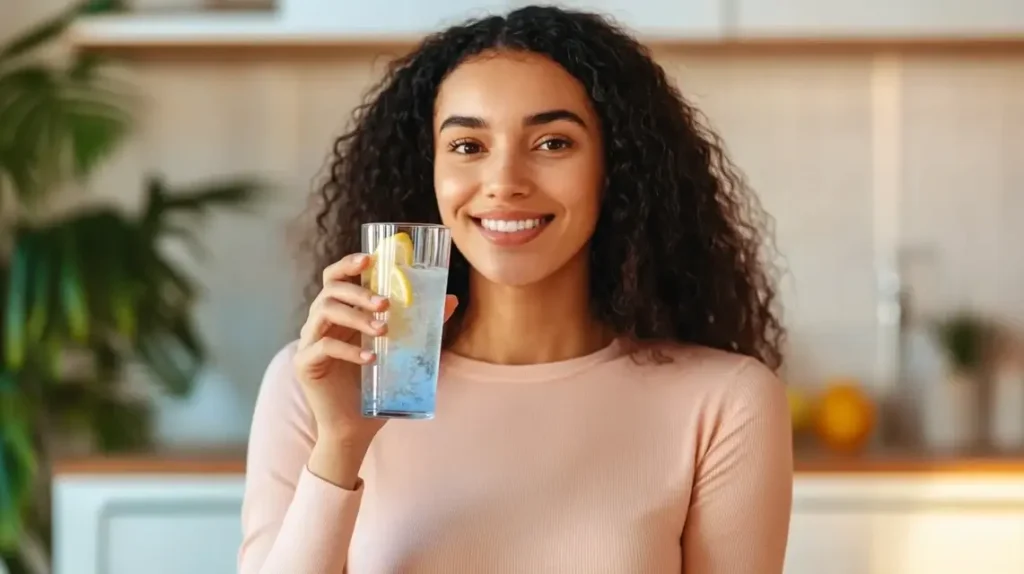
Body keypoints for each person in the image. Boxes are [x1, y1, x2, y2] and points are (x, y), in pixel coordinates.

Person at [238, 4, 793, 574]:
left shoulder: (724, 403)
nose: (505, 184)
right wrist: (340, 445)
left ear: (618, 167)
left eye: (553, 143)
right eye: (467, 146)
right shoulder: (320, 386)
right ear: (426, 169)